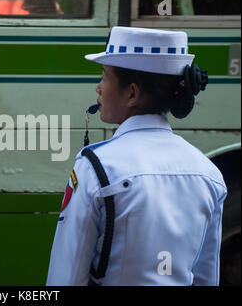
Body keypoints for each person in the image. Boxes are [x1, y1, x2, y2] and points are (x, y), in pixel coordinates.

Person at [46, 26, 227, 286]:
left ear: (132, 93)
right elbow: (206, 278)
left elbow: (66, 276)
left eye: (104, 76)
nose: (98, 88)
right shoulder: (209, 174)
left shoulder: (96, 166)